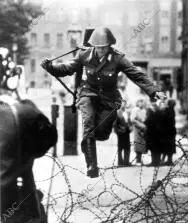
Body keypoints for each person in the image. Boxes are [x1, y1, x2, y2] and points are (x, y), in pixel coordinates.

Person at [41, 27, 165, 178]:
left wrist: (154, 90)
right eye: (98, 47)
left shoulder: (118, 58)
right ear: (93, 46)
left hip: (109, 98)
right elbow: (68, 68)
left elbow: (136, 74)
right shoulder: (84, 55)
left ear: (110, 46)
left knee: (101, 133)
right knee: (88, 126)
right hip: (88, 94)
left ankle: (92, 139)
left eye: (104, 48)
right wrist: (51, 67)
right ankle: (92, 165)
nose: (101, 51)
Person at [0, 96, 58, 223]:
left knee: (8, 180)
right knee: (15, 178)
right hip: (20, 125)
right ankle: (30, 216)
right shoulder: (27, 110)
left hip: (17, 126)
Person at [113, 100, 132, 166]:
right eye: (122, 104)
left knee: (127, 147)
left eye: (125, 104)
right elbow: (115, 125)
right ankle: (120, 163)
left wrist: (130, 127)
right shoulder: (117, 113)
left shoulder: (127, 112)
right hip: (120, 133)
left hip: (127, 132)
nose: (123, 105)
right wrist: (117, 131)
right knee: (120, 148)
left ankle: (126, 162)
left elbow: (129, 121)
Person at [130, 98, 147, 165]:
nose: (142, 103)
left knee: (142, 144)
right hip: (138, 129)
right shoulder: (135, 110)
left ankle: (140, 160)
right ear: (137, 103)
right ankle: (138, 160)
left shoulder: (144, 110)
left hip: (143, 129)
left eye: (142, 102)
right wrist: (140, 125)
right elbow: (132, 119)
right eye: (140, 102)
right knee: (138, 144)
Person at [160, 99, 176, 165]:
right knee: (168, 146)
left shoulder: (169, 110)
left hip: (168, 131)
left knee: (168, 146)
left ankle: (167, 160)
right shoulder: (169, 110)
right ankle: (167, 160)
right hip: (169, 131)